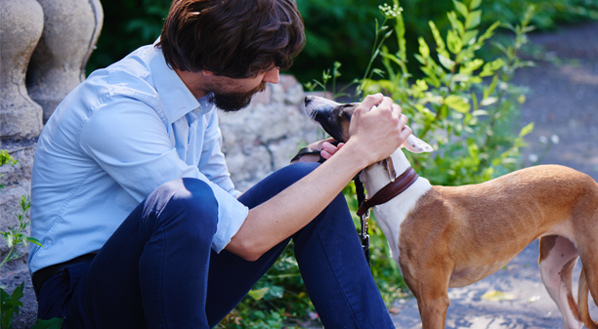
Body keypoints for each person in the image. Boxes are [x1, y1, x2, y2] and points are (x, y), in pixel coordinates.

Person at [28, 0, 410, 328]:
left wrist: (321, 168)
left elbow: (226, 213)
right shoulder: (117, 108)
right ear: (211, 63)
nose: (274, 78)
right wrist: (359, 152)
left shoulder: (197, 92)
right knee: (187, 201)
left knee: (307, 177)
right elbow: (245, 238)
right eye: (264, 65)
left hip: (168, 277)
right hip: (82, 300)